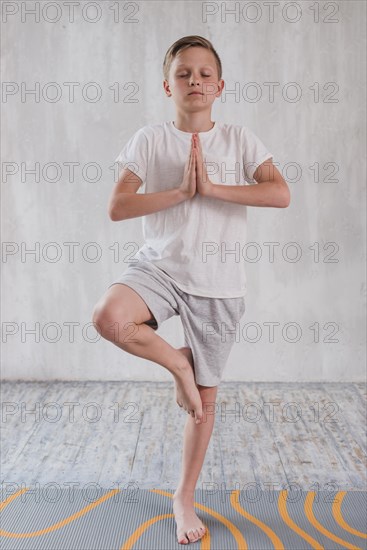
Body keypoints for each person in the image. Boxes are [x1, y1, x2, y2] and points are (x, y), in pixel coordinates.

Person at [92, 35, 290, 545]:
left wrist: (211, 189)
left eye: (204, 74)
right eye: (184, 74)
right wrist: (179, 192)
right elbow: (117, 207)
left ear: (219, 86)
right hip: (159, 268)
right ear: (168, 85)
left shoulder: (240, 139)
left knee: (204, 400)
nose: (195, 81)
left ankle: (184, 497)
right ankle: (179, 363)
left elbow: (280, 192)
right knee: (109, 317)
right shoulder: (150, 139)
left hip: (218, 285)